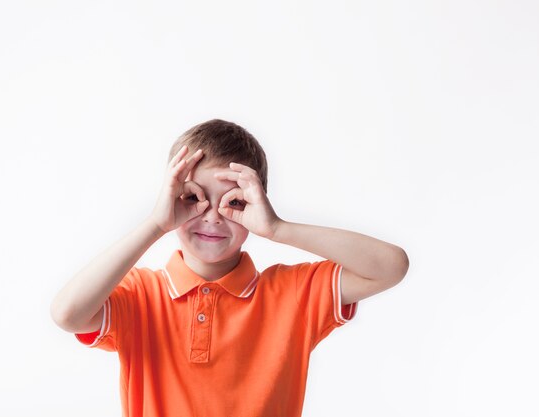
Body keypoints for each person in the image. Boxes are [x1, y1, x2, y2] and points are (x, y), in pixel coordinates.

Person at [50, 119, 409, 417]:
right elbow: (68, 315)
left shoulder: (293, 294)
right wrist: (156, 225)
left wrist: (278, 229)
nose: (212, 216)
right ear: (171, 198)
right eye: (192, 197)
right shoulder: (141, 297)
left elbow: (390, 267)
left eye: (233, 201)